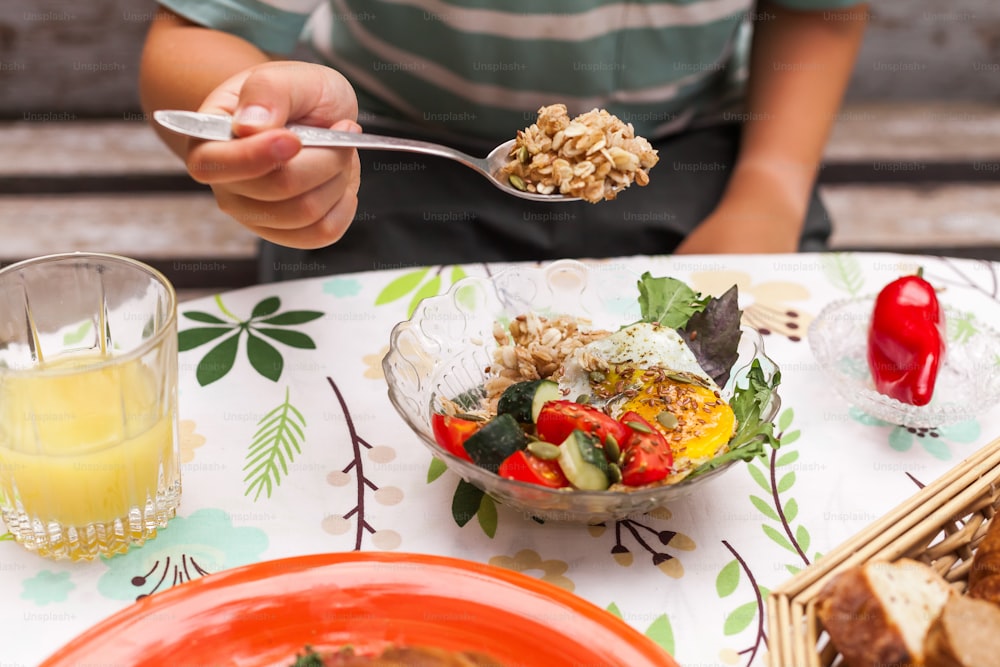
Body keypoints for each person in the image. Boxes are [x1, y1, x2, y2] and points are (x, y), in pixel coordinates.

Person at [139, 1, 869, 281]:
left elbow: (820, 11)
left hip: (690, 154)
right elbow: (204, 33)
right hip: (386, 156)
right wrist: (265, 128)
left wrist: (770, 185)